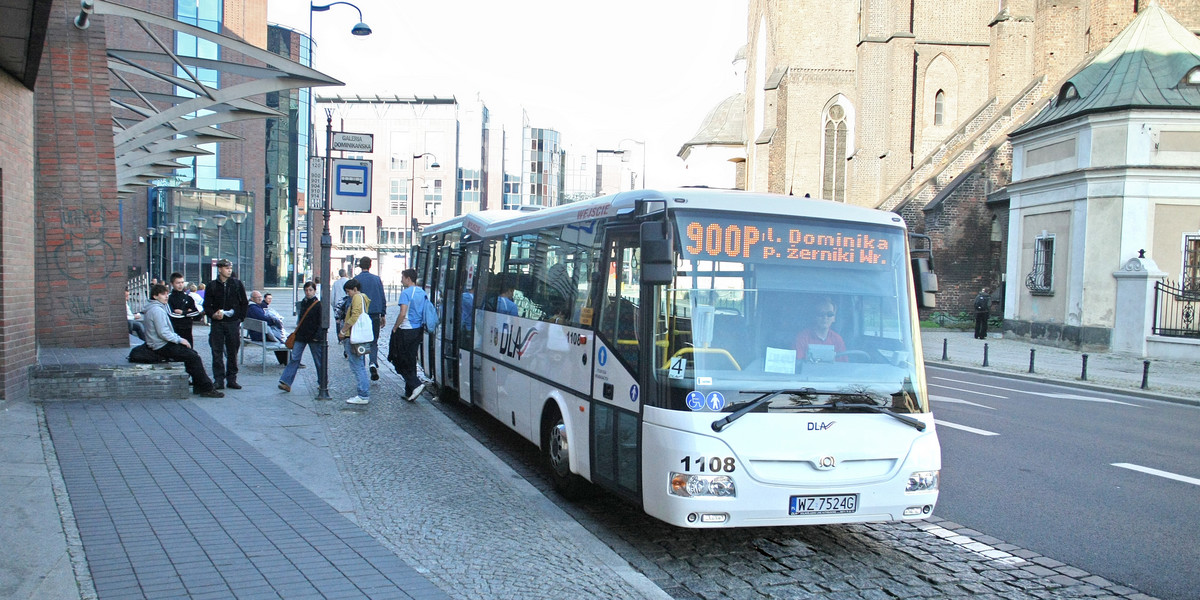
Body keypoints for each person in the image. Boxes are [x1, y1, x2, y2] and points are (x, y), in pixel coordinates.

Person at [142, 283, 224, 398]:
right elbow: (163, 333)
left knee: (192, 355)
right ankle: (206, 388)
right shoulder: (157, 310)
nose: (166, 297)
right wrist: (180, 340)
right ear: (155, 296)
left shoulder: (156, 308)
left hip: (159, 343)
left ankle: (200, 385)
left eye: (166, 294)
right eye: (163, 294)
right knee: (193, 357)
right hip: (160, 345)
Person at [204, 258, 248, 389]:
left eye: (230, 268)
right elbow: (207, 305)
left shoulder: (236, 284)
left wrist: (240, 318)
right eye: (226, 268)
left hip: (232, 322)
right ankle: (218, 379)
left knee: (232, 351)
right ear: (220, 269)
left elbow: (244, 302)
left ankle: (232, 378)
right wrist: (212, 314)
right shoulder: (212, 285)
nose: (229, 271)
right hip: (218, 323)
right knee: (216, 351)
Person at [278, 281, 324, 393]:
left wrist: (318, 336)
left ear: (314, 291)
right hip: (301, 335)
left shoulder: (318, 304)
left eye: (310, 290)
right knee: (294, 358)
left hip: (313, 337)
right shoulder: (303, 302)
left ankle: (322, 383)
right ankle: (286, 382)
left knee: (318, 360)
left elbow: (321, 322)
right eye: (306, 290)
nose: (308, 292)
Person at [390, 268, 428, 402]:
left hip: (406, 329)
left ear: (408, 278)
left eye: (402, 277)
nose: (401, 280)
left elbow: (402, 313)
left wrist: (395, 327)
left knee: (399, 360)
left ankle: (415, 384)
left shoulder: (406, 293)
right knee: (411, 359)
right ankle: (409, 391)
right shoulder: (422, 292)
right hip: (418, 330)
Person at [338, 278, 371, 405]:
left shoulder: (357, 297)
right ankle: (363, 393)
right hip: (359, 337)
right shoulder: (363, 297)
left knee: (357, 366)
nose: (348, 294)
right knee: (359, 365)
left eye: (348, 291)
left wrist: (343, 330)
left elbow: (355, 315)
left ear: (355, 289)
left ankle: (363, 394)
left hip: (353, 336)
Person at [354, 257, 387, 381]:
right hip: (374, 315)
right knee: (373, 341)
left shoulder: (356, 280)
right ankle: (373, 363)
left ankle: (362, 365)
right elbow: (382, 297)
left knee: (361, 340)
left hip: (361, 315)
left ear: (360, 265)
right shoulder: (377, 279)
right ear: (370, 265)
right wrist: (383, 314)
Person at [794, 296, 847, 362]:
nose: (825, 317)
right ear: (814, 317)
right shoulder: (802, 337)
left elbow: (844, 366)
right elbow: (798, 364)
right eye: (821, 314)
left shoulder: (838, 339)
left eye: (830, 314)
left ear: (834, 318)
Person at [247, 290, 289, 365]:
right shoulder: (253, 308)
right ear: (252, 299)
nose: (260, 299)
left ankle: (284, 360)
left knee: (279, 338)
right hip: (260, 334)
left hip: (257, 332)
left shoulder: (252, 306)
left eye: (260, 297)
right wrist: (274, 321)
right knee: (281, 339)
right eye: (257, 298)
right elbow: (263, 319)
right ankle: (289, 361)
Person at [167, 272, 199, 345]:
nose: (181, 285)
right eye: (178, 283)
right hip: (174, 330)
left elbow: (197, 313)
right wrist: (189, 314)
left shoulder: (189, 297)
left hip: (187, 331)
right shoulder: (168, 298)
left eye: (182, 282)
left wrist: (183, 313)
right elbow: (171, 314)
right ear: (172, 284)